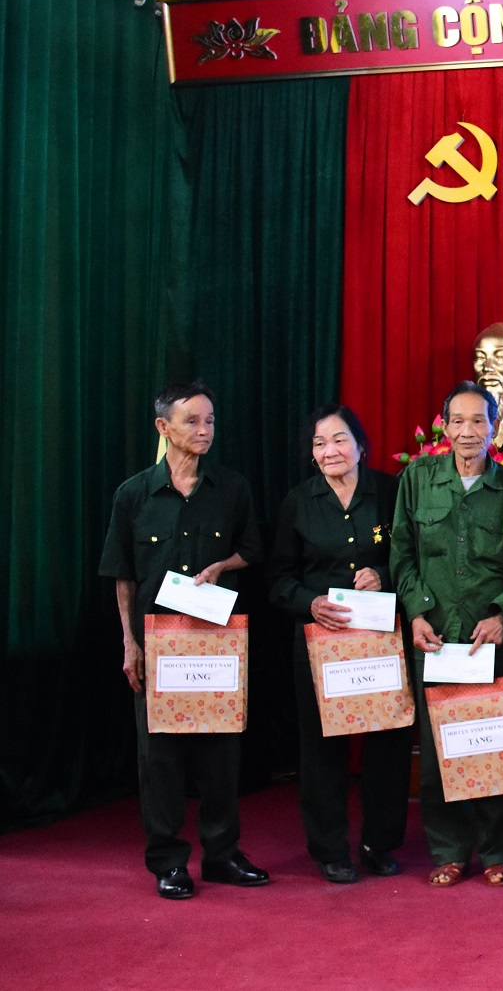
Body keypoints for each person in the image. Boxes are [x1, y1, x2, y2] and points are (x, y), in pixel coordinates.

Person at [100, 381, 267, 900]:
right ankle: (169, 861)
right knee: (161, 759)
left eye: (210, 420)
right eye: (192, 420)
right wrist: (129, 644)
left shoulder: (232, 488)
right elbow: (122, 575)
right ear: (163, 427)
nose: (204, 430)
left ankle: (221, 854)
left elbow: (252, 549)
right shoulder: (133, 494)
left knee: (221, 755)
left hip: (216, 641)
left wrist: (223, 565)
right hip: (159, 644)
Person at [266, 404, 408, 884]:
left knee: (387, 743)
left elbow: (413, 557)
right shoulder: (298, 502)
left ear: (360, 446)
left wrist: (384, 574)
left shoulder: (390, 492)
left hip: (381, 638)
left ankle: (379, 844)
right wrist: (309, 603)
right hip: (322, 642)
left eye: (340, 439)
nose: (330, 450)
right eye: (319, 443)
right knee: (322, 748)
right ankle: (330, 849)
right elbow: (278, 579)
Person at [393, 380, 503, 889]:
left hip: (491, 639)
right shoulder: (417, 479)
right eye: (458, 421)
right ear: (444, 427)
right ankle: (448, 850)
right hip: (435, 637)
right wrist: (416, 612)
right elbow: (402, 553)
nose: (468, 431)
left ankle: (497, 852)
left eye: (478, 421)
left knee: (495, 748)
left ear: (495, 427)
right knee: (437, 752)